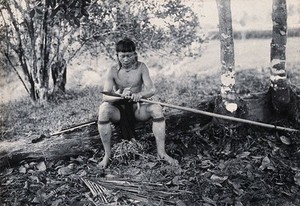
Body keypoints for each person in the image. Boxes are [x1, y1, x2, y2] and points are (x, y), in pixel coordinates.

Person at [97, 38, 178, 168]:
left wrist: (140, 95)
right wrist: (120, 96)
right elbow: (105, 96)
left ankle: (161, 153)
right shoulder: (112, 70)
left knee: (157, 108)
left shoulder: (141, 67)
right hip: (119, 111)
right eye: (122, 56)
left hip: (137, 109)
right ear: (117, 56)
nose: (125, 59)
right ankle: (107, 155)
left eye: (129, 56)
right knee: (103, 109)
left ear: (135, 54)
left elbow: (152, 89)